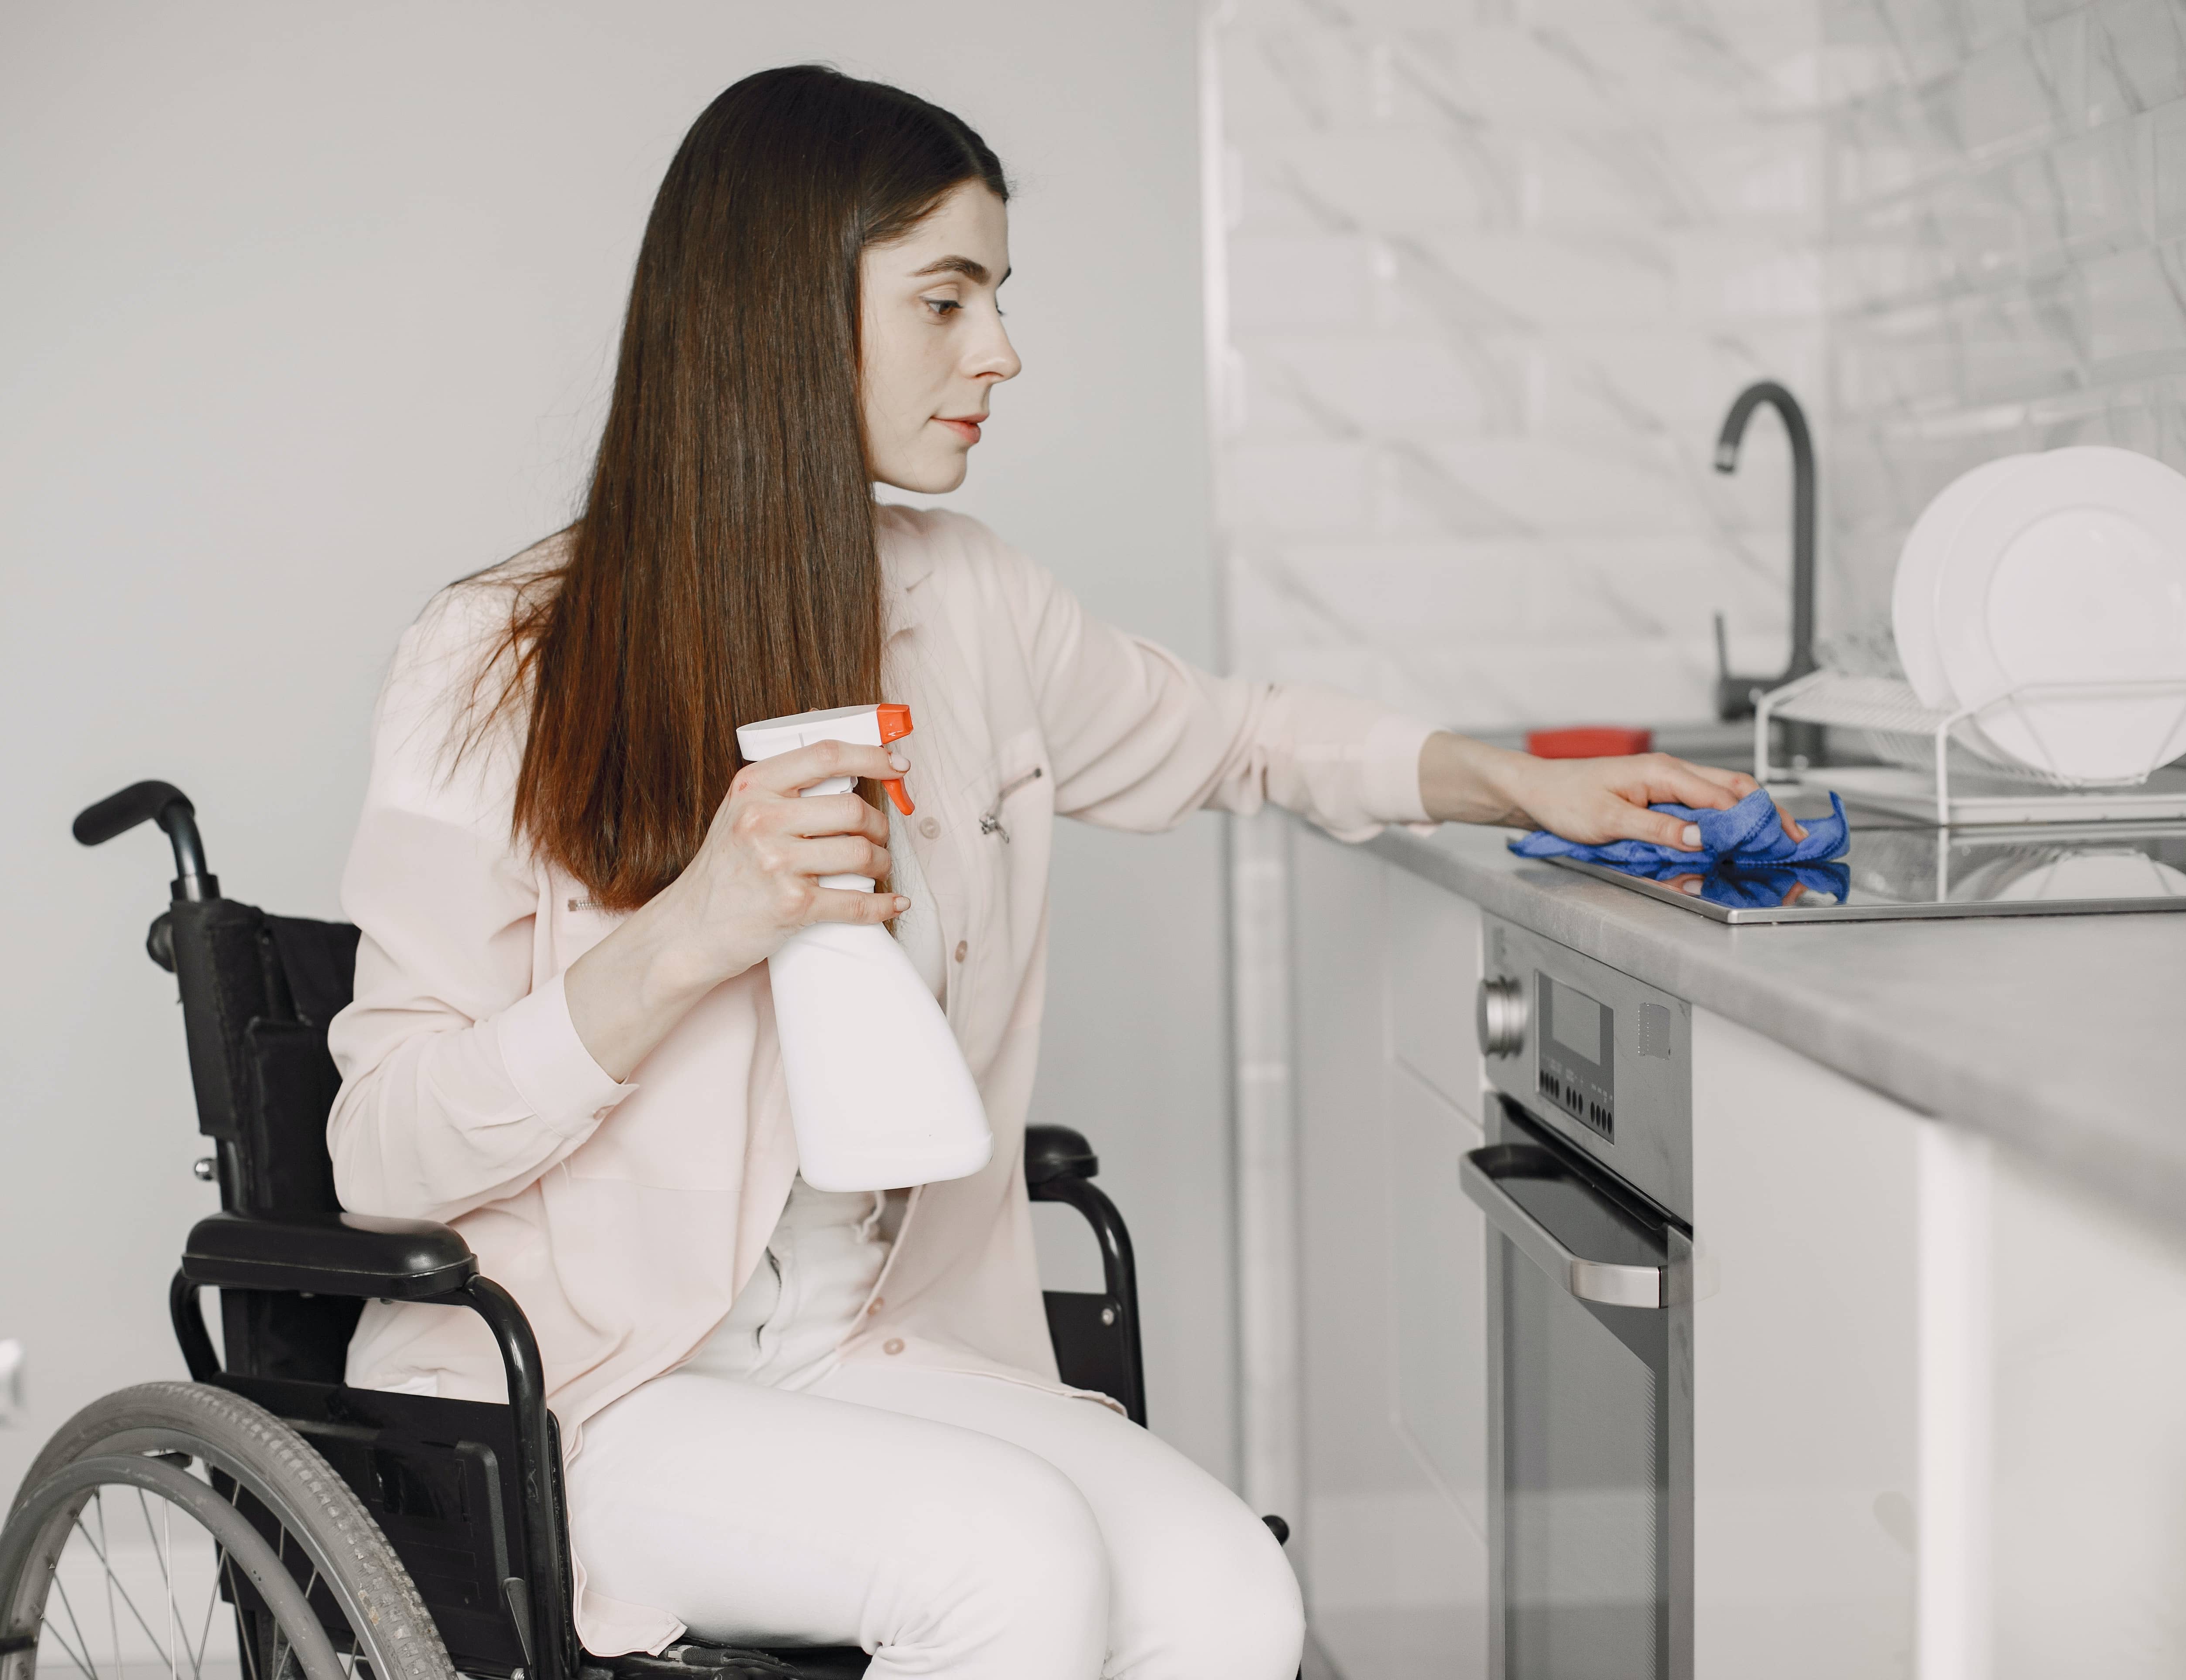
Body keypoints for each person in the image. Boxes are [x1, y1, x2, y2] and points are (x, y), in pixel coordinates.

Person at [325, 64, 1777, 1680]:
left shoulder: (972, 608)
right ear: (780, 317)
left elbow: (1235, 739)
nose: (999, 353)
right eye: (944, 300)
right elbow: (380, 1154)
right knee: (1012, 1574)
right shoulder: (506, 659)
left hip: (861, 1350)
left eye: (997, 299)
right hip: (577, 1386)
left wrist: (1497, 774)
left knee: (1234, 1597)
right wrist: (691, 932)